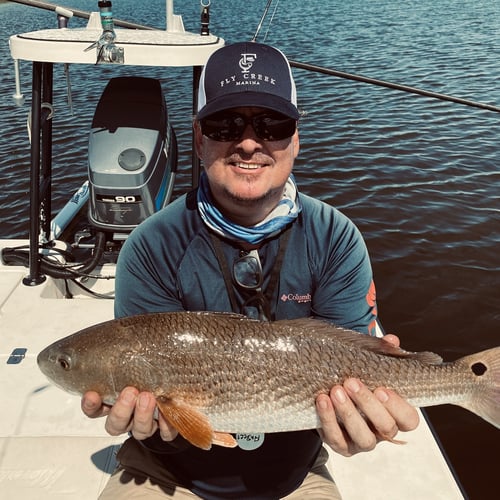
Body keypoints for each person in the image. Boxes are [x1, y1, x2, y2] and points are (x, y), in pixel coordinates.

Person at [82, 41, 419, 499]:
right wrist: (150, 422)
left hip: (296, 471)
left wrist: (361, 421)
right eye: (225, 124)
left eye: (272, 124)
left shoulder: (335, 238)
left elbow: (351, 358)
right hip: (165, 470)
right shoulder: (151, 245)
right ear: (199, 139)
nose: (248, 141)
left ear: (295, 139)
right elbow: (164, 411)